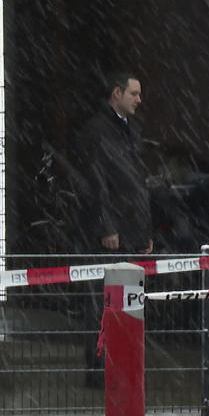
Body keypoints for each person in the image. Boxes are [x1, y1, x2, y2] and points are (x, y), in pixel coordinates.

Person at [72, 70, 159, 387]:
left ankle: (120, 366)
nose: (139, 99)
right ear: (116, 93)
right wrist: (106, 225)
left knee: (126, 301)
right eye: (134, 93)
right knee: (102, 302)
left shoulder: (129, 130)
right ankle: (100, 369)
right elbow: (96, 183)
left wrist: (144, 230)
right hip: (111, 232)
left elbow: (135, 183)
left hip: (130, 229)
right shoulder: (98, 131)